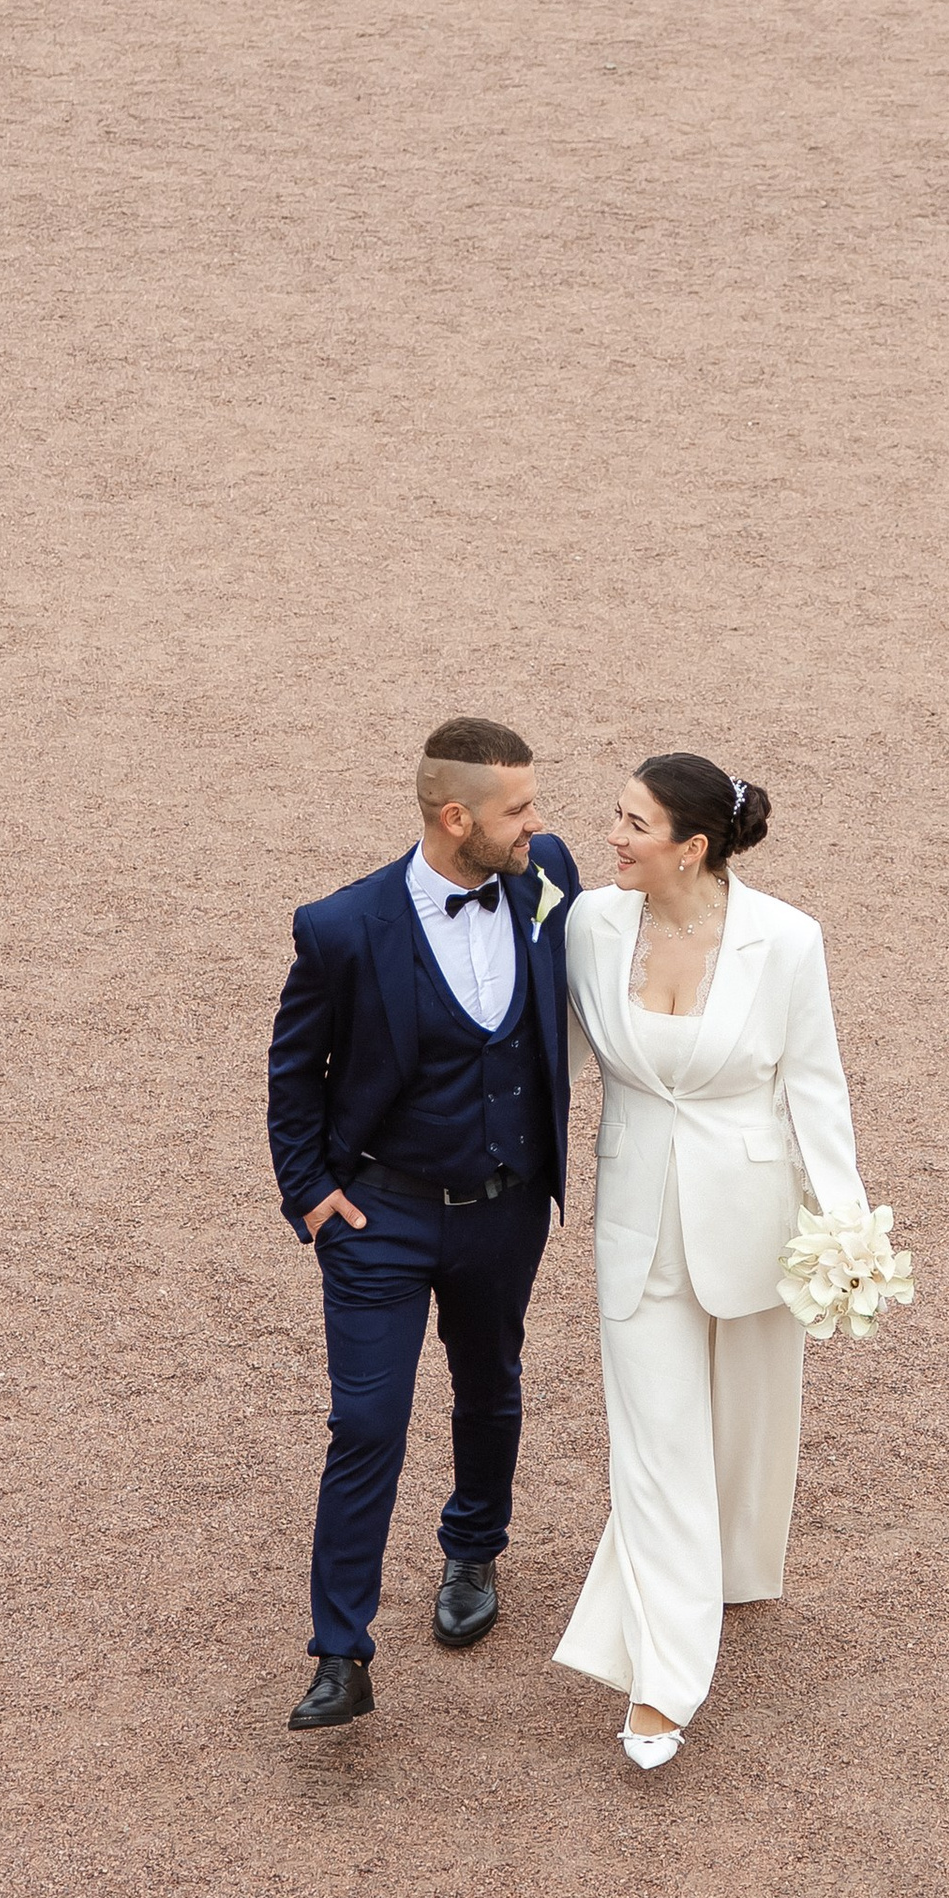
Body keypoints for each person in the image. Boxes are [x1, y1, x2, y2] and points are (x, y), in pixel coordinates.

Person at [553, 757, 868, 1770]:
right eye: (616, 816)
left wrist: (849, 1231)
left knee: (751, 1419)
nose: (611, 837)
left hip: (753, 1214)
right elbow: (543, 1065)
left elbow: (813, 1086)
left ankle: (733, 1569)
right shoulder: (590, 927)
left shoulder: (786, 939)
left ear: (692, 846)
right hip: (634, 1222)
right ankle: (665, 1679)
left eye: (633, 823)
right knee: (656, 1448)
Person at [267, 718, 581, 1732]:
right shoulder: (342, 927)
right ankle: (339, 1652)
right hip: (385, 1220)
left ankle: (473, 1546)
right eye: (518, 809)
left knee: (490, 1387)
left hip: (503, 1210)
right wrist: (313, 1195)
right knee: (364, 1424)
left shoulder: (546, 876)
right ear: (457, 819)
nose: (539, 824)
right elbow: (291, 1075)